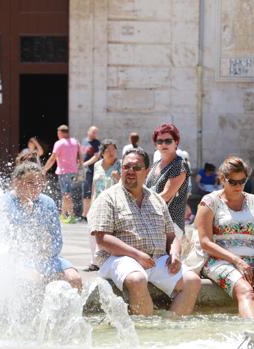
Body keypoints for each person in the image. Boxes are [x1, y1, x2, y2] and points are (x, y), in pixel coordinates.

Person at [88, 148, 201, 316]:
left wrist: (175, 253)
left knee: (192, 281)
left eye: (136, 167)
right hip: (119, 258)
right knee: (137, 279)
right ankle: (146, 330)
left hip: (155, 260)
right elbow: (102, 238)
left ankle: (173, 329)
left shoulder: (156, 199)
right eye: (126, 167)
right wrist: (137, 255)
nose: (130, 171)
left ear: (147, 171)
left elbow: (171, 236)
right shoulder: (108, 197)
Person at [195, 156, 254, 319]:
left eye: (242, 181)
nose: (238, 186)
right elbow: (205, 242)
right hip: (219, 261)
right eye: (233, 182)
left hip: (252, 262)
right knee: (246, 291)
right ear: (222, 179)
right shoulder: (209, 202)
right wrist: (237, 261)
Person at [4, 162, 82, 290]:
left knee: (74, 279)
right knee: (34, 279)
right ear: (17, 182)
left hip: (47, 257)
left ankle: (72, 310)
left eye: (39, 182)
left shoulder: (47, 202)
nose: (36, 186)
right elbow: (5, 238)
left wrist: (46, 250)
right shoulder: (6, 203)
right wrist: (28, 214)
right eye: (30, 182)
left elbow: (57, 238)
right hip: (18, 259)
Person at [146, 123, 190, 232]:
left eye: (168, 141)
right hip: (152, 222)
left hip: (171, 226)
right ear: (155, 145)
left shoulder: (179, 165)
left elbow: (166, 195)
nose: (163, 144)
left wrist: (140, 203)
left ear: (176, 142)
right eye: (159, 141)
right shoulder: (155, 164)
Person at [85, 139, 121, 272]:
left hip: (114, 204)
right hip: (98, 203)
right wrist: (91, 204)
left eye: (113, 150)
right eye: (108, 150)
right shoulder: (97, 165)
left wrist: (118, 177)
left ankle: (107, 261)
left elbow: (127, 185)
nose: (111, 153)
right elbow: (94, 185)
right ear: (102, 153)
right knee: (92, 231)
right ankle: (94, 261)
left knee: (108, 233)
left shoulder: (120, 165)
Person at [43, 125, 81, 224]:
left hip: (64, 171)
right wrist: (80, 167)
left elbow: (53, 158)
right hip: (73, 171)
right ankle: (63, 215)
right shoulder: (75, 142)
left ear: (60, 133)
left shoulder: (59, 143)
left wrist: (44, 169)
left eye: (58, 133)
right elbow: (80, 156)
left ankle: (71, 216)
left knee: (66, 194)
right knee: (66, 194)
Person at [81, 126, 101, 220]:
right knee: (85, 192)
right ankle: (84, 213)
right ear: (88, 132)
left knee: (90, 191)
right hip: (84, 170)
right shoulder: (84, 141)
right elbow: (81, 154)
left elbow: (96, 157)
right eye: (93, 132)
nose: (94, 134)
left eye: (95, 132)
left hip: (92, 170)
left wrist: (85, 164)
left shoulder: (97, 143)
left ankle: (90, 214)